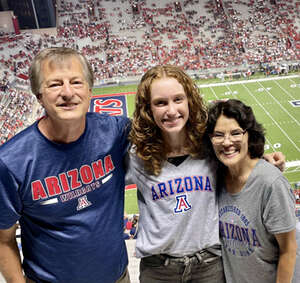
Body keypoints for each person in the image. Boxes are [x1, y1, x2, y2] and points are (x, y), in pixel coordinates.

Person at [126, 65, 286, 283]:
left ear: (189, 100)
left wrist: (263, 162)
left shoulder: (208, 146)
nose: (171, 110)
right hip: (159, 269)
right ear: (148, 108)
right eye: (160, 103)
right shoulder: (137, 155)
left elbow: (236, 157)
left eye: (178, 99)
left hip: (208, 266)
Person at [0, 47, 131, 283]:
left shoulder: (116, 131)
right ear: (39, 95)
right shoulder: (11, 162)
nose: (67, 92)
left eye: (76, 82)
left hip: (118, 277)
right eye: (54, 84)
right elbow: (3, 239)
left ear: (90, 91)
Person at [205, 99, 297, 283]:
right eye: (218, 135)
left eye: (236, 133)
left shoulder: (271, 184)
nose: (227, 142)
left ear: (249, 135)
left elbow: (288, 250)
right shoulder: (218, 177)